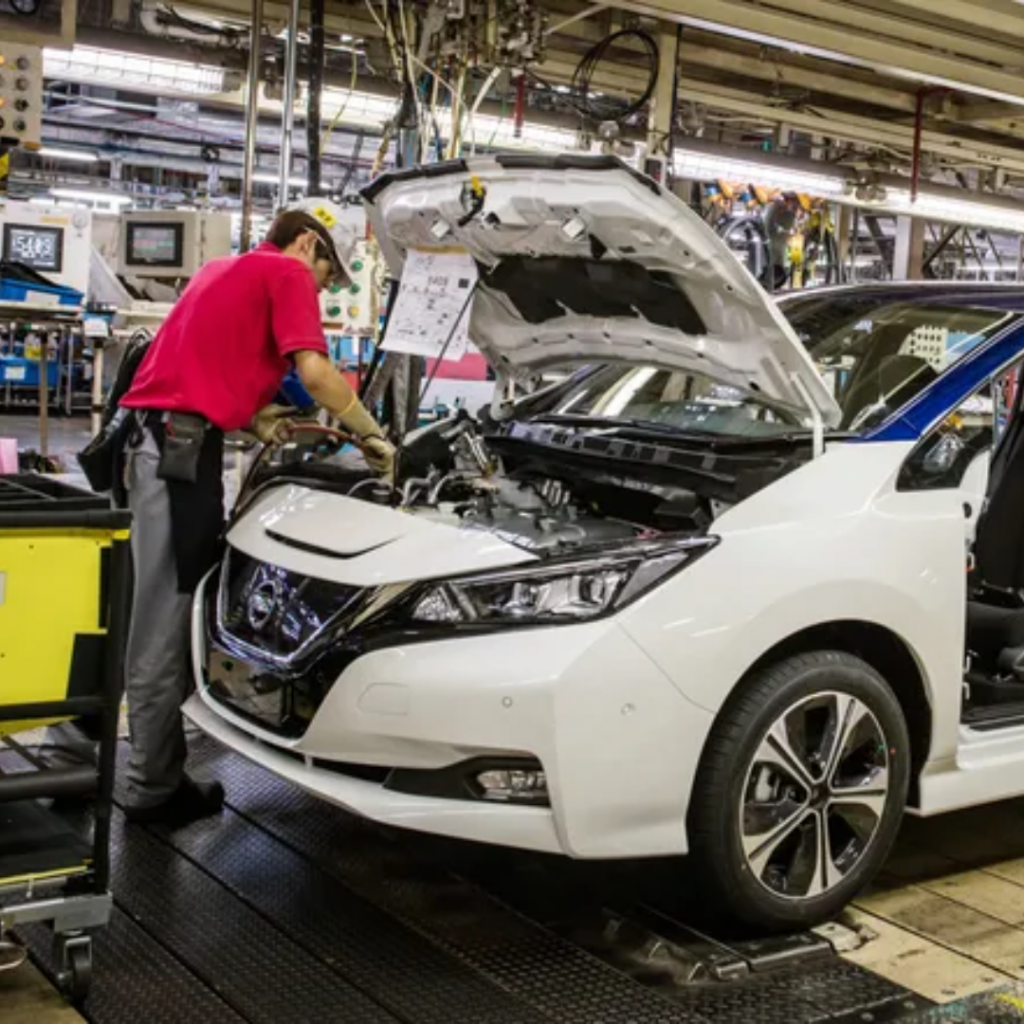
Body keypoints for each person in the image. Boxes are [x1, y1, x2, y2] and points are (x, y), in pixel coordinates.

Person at [54, 199, 395, 826]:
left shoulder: (223, 270)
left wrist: (255, 415)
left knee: (126, 609)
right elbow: (315, 372)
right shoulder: (288, 273)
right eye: (330, 274)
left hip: (144, 446)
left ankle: (65, 760)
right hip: (179, 457)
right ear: (308, 245)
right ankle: (154, 786)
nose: (322, 288)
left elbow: (195, 364)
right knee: (164, 617)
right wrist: (371, 433)